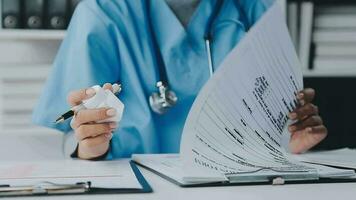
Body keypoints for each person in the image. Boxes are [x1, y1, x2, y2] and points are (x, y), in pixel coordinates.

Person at [32, 0, 327, 160]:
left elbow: (278, 126)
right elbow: (77, 137)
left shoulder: (253, 10)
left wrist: (288, 142)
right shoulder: (102, 12)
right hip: (133, 188)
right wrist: (89, 148)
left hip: (235, 186)